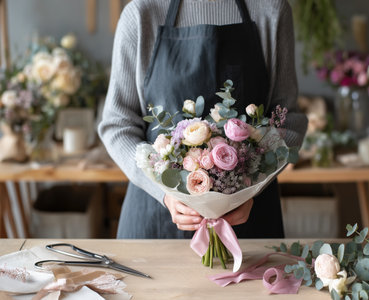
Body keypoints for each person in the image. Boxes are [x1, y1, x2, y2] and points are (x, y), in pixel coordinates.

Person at [98, 0, 308, 239]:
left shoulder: (271, 10)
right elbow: (117, 124)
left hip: (249, 224)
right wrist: (163, 193)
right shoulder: (142, 13)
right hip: (156, 222)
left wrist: (251, 189)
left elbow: (288, 120)